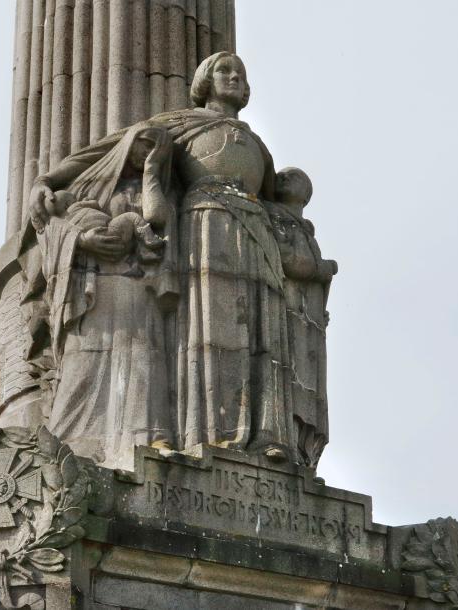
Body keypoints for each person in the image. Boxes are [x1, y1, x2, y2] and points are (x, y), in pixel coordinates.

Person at [30, 52, 299, 463]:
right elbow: (108, 149)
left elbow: (280, 203)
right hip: (205, 226)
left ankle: (267, 435)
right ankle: (210, 433)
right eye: (224, 71)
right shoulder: (181, 123)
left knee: (262, 328)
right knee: (213, 326)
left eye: (240, 74)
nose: (233, 77)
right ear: (204, 81)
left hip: (256, 231)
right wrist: (49, 180)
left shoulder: (258, 146)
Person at [37, 124, 176, 468]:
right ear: (126, 144)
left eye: (154, 150)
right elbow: (49, 226)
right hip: (93, 289)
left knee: (143, 358)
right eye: (142, 146)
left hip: (135, 286)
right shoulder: (88, 184)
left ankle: (147, 439)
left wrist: (152, 171)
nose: (145, 153)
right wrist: (81, 241)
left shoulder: (151, 186)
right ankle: (66, 446)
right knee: (82, 365)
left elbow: (157, 217)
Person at [266, 167, 337, 467]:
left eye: (292, 176)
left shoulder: (303, 229)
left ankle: (303, 451)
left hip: (309, 320)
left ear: (306, 194)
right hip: (286, 307)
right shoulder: (272, 216)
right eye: (280, 175)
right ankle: (287, 439)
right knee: (288, 377)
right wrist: (325, 268)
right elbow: (291, 261)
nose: (282, 177)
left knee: (307, 384)